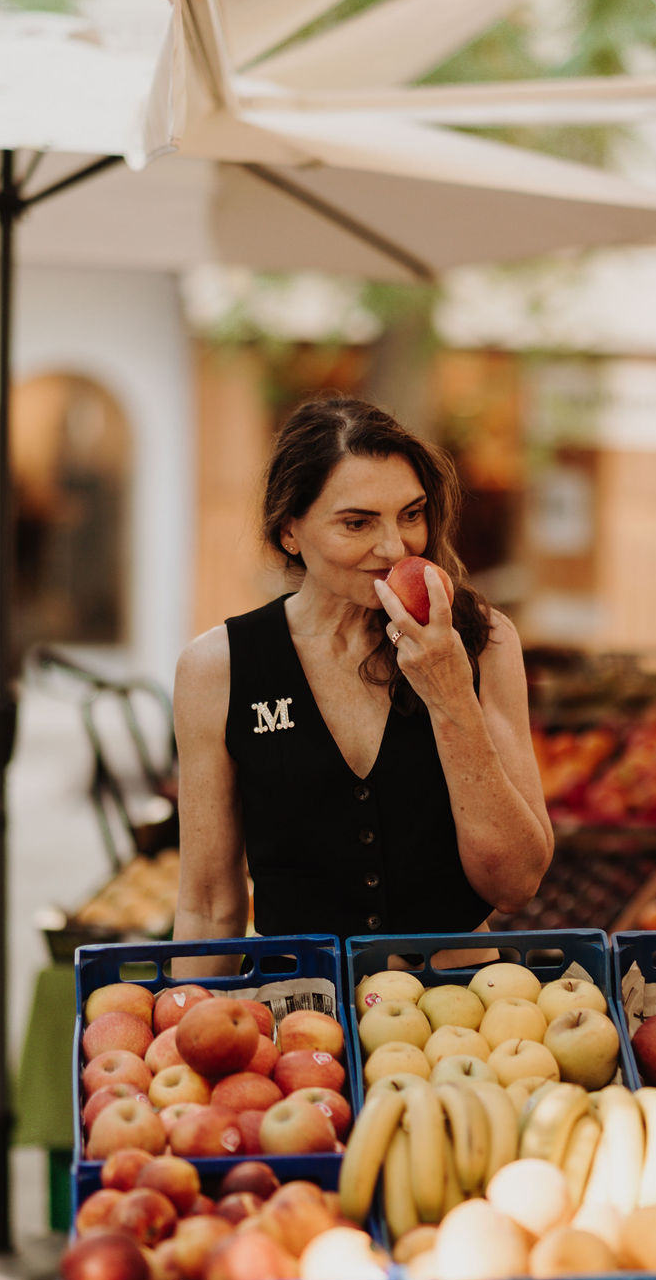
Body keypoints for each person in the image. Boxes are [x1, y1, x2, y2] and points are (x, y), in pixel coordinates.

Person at [172, 393, 553, 970]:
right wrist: (190, 1040)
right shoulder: (218, 667)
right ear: (290, 531)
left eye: (411, 514)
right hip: (302, 1014)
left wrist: (450, 697)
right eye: (357, 523)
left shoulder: (482, 641)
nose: (395, 547)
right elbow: (207, 905)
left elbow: (516, 883)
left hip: (466, 1013)